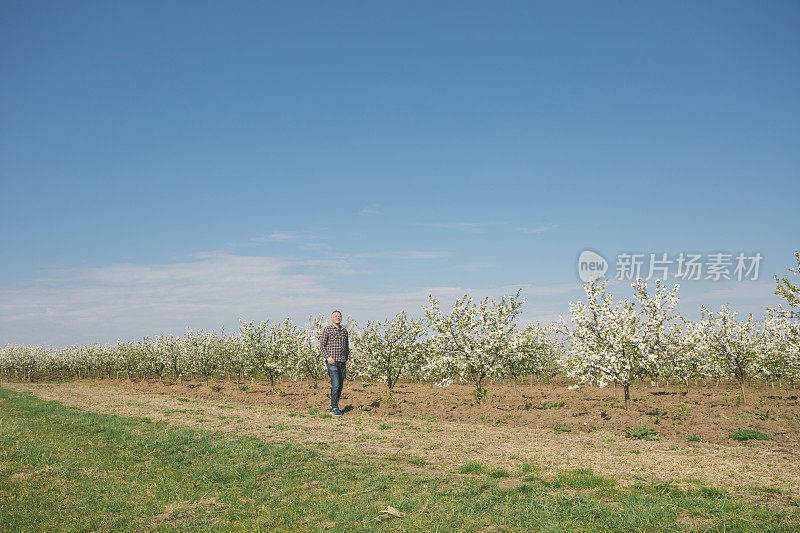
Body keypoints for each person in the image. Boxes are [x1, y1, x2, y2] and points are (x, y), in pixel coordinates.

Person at [319, 310, 350, 416]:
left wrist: (348, 358)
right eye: (336, 316)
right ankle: (333, 408)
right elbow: (322, 345)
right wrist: (328, 357)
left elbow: (347, 347)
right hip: (332, 362)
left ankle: (336, 406)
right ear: (332, 318)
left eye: (339, 316)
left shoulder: (344, 331)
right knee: (335, 385)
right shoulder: (327, 329)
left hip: (342, 361)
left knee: (340, 386)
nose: (338, 317)